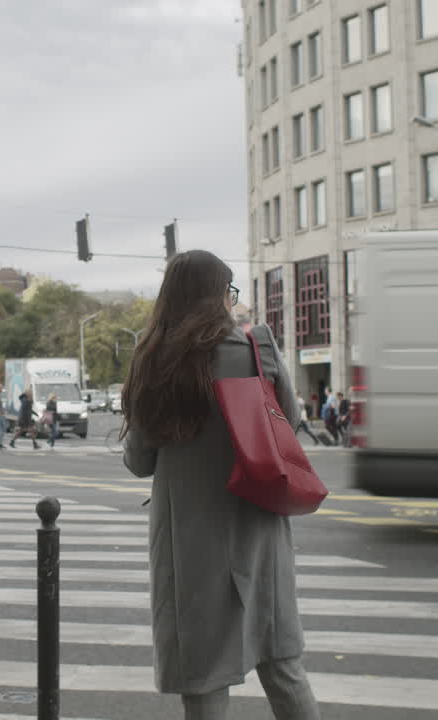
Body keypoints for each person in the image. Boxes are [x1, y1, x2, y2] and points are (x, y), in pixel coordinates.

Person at [121, 250, 320, 720]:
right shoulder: (256, 348)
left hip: (189, 542)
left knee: (204, 676)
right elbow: (287, 425)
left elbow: (139, 461)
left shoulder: (152, 360)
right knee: (282, 664)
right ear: (219, 296)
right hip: (257, 524)